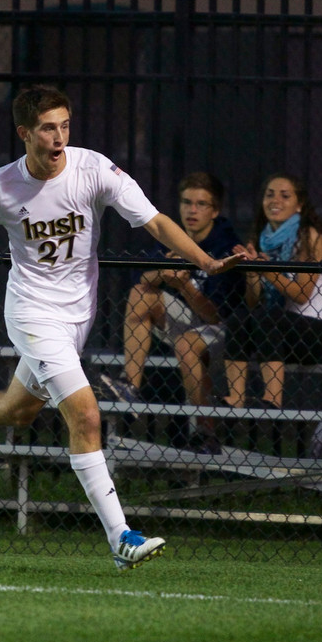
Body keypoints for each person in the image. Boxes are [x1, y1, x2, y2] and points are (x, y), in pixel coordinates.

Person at [0, 86, 245, 570]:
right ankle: (121, 537)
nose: (59, 138)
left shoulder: (94, 169)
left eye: (65, 126)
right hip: (32, 315)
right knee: (86, 415)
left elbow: (155, 221)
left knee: (17, 410)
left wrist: (205, 261)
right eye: (49, 128)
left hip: (77, 317)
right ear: (24, 133)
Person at [97, 172, 244, 449]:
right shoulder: (173, 236)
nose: (192, 210)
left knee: (190, 344)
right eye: (187, 202)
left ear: (215, 211)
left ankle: (206, 431)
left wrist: (185, 284)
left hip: (222, 332)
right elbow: (142, 279)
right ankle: (130, 385)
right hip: (182, 322)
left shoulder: (225, 244)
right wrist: (163, 274)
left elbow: (217, 316)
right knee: (141, 294)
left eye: (201, 204)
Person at [221, 173, 322, 409]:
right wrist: (253, 273)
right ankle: (235, 397)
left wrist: (266, 270)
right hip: (277, 333)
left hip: (320, 332)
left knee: (268, 318)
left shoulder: (309, 236)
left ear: (299, 205)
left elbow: (301, 294)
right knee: (239, 318)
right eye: (269, 195)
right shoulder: (261, 239)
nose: (275, 200)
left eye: (285, 196)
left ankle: (272, 400)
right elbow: (254, 303)